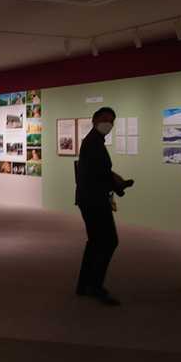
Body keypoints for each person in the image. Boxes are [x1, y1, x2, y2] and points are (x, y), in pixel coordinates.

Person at [75, 107, 134, 305]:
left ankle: (85, 284)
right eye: (105, 119)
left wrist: (117, 182)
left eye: (111, 121)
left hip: (90, 198)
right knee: (108, 241)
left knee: (95, 242)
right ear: (94, 120)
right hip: (94, 199)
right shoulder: (93, 142)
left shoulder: (95, 141)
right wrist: (117, 185)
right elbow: (100, 174)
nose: (108, 123)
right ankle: (95, 286)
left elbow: (103, 171)